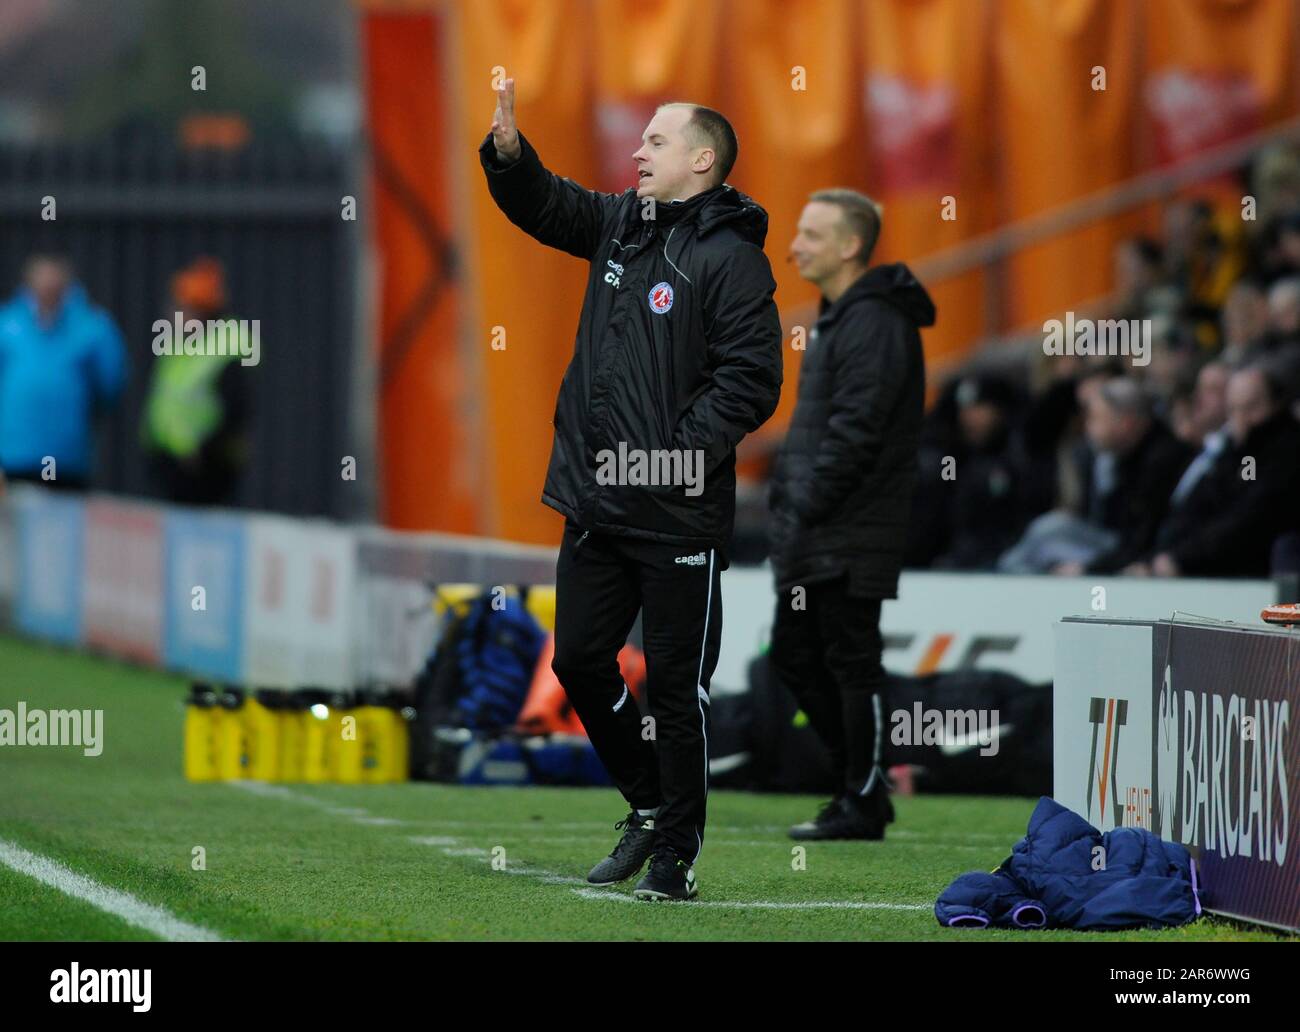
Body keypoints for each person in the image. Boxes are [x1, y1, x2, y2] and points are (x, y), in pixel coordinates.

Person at [480, 80, 782, 900]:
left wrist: (670, 456)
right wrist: (510, 159)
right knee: (579, 660)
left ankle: (677, 856)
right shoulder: (622, 224)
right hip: (596, 502)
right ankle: (648, 803)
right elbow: (549, 207)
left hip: (677, 512)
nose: (638, 153)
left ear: (702, 160)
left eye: (656, 142)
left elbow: (752, 383)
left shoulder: (732, 260)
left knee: (678, 693)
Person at [767, 189, 934, 840]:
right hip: (826, 528)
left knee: (843, 660)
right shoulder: (849, 316)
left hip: (847, 529)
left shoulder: (873, 321)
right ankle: (860, 788)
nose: (794, 246)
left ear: (850, 246)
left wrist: (803, 503)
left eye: (810, 235)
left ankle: (861, 795)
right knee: (798, 656)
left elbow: (855, 430)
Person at [0, 254, 126, 489]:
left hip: (67, 457)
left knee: (65, 522)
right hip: (13, 455)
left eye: (53, 287)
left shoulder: (92, 326)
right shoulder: (6, 323)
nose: (47, 292)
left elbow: (109, 385)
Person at [140, 257, 251, 506]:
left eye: (180, 308)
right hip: (171, 468)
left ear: (201, 312)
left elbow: (236, 410)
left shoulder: (227, 346)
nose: (171, 314)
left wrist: (203, 453)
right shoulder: (179, 345)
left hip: (207, 472)